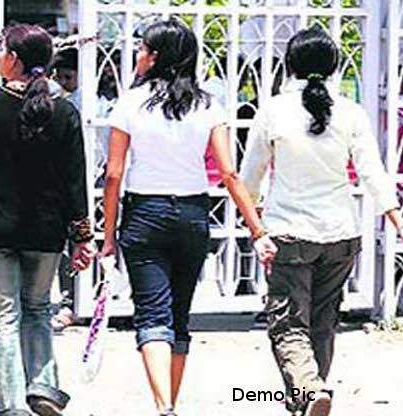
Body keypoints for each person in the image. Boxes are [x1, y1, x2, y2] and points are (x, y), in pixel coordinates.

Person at [100, 19, 276, 416]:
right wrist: (256, 229)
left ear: (155, 57)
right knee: (179, 315)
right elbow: (229, 173)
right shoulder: (208, 104)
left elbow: (113, 174)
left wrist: (108, 234)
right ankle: (170, 404)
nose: (138, 56)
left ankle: (164, 406)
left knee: (151, 313)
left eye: (143, 49)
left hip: (144, 213)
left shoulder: (130, 102)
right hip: (193, 214)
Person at [240, 27, 403, 416]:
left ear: (290, 64)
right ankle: (310, 398)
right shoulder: (351, 112)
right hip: (341, 235)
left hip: (289, 233)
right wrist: (401, 227)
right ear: (334, 66)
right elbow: (373, 173)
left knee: (287, 324)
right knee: (323, 323)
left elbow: (249, 177)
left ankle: (309, 389)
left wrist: (254, 225)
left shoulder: (273, 110)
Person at [0, 24, 94, 416]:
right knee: (37, 308)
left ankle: (7, 403)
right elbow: (75, 179)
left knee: (3, 317)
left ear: (13, 58)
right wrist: (82, 236)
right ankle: (42, 387)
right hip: (46, 230)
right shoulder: (64, 111)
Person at [50, 47, 81, 332]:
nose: (62, 82)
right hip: (70, 182)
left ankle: (79, 300)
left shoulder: (83, 104)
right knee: (69, 249)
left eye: (67, 77)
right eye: (58, 77)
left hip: (90, 180)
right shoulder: (62, 103)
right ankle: (69, 300)